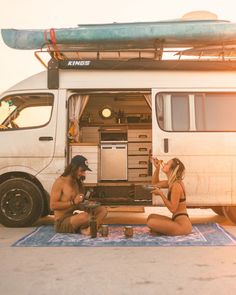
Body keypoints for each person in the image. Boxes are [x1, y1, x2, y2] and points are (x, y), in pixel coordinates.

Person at [50, 155, 107, 235]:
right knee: (86, 216)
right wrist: (73, 202)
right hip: (63, 221)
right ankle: (88, 228)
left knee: (102, 210)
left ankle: (89, 229)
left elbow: (80, 203)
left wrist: (88, 203)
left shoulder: (78, 181)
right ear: (74, 168)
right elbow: (52, 206)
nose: (83, 174)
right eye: (82, 171)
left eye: (84, 171)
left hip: (77, 214)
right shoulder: (60, 182)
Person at [147, 157, 192, 236]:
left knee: (150, 222)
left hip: (182, 226)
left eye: (167, 164)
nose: (164, 164)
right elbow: (155, 184)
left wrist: (161, 194)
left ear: (172, 169)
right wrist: (157, 168)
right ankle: (164, 230)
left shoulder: (176, 185)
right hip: (176, 221)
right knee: (151, 217)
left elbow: (173, 209)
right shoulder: (171, 182)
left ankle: (165, 230)